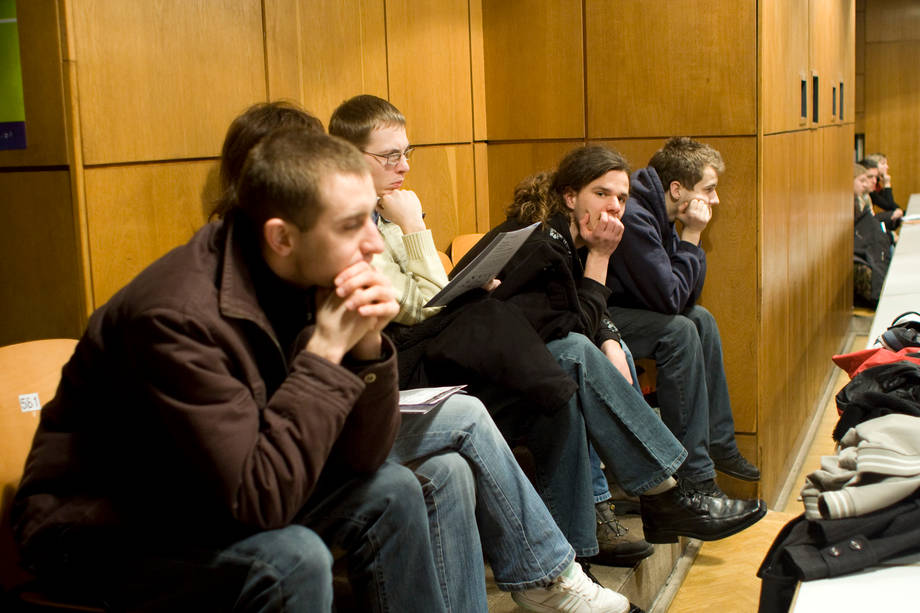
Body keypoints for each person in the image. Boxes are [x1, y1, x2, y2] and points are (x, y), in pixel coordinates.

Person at [217, 101, 633, 613]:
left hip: (354, 415)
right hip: (284, 468)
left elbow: (419, 315)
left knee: (470, 453)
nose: (367, 243)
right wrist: (341, 344)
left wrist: (365, 345)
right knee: (499, 396)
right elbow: (264, 457)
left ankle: (574, 552)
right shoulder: (219, 290)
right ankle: (555, 567)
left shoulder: (314, 249)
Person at [12, 127, 446, 612]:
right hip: (97, 529)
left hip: (202, 500)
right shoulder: (174, 318)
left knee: (393, 489)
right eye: (350, 226)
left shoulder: (304, 271)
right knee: (292, 559)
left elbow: (361, 459)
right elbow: (261, 501)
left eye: (371, 218)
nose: (373, 244)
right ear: (281, 237)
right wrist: (326, 352)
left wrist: (367, 349)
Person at [331, 96, 766, 564]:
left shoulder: (388, 218)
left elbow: (447, 301)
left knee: (565, 380)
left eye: (407, 153)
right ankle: (670, 493)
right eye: (390, 156)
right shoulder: (368, 225)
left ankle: (583, 555)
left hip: (457, 358)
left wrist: (608, 331)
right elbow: (428, 306)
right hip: (406, 379)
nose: (404, 166)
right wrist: (415, 226)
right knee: (573, 354)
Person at [605, 137, 761, 488]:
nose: (715, 200)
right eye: (709, 189)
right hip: (601, 317)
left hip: (635, 308)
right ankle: (696, 476)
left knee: (701, 320)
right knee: (680, 330)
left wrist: (690, 238)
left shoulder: (658, 211)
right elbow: (671, 300)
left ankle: (719, 444)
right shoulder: (636, 217)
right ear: (677, 189)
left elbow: (687, 293)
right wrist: (691, 234)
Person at [853, 162, 892, 309]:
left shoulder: (864, 199)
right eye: (862, 180)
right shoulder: (851, 204)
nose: (867, 184)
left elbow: (889, 205)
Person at [860, 154, 903, 230]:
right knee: (892, 217)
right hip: (867, 225)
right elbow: (888, 206)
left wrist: (899, 210)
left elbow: (892, 206)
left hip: (870, 222)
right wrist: (887, 184)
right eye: (883, 164)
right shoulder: (869, 188)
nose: (887, 167)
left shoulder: (876, 183)